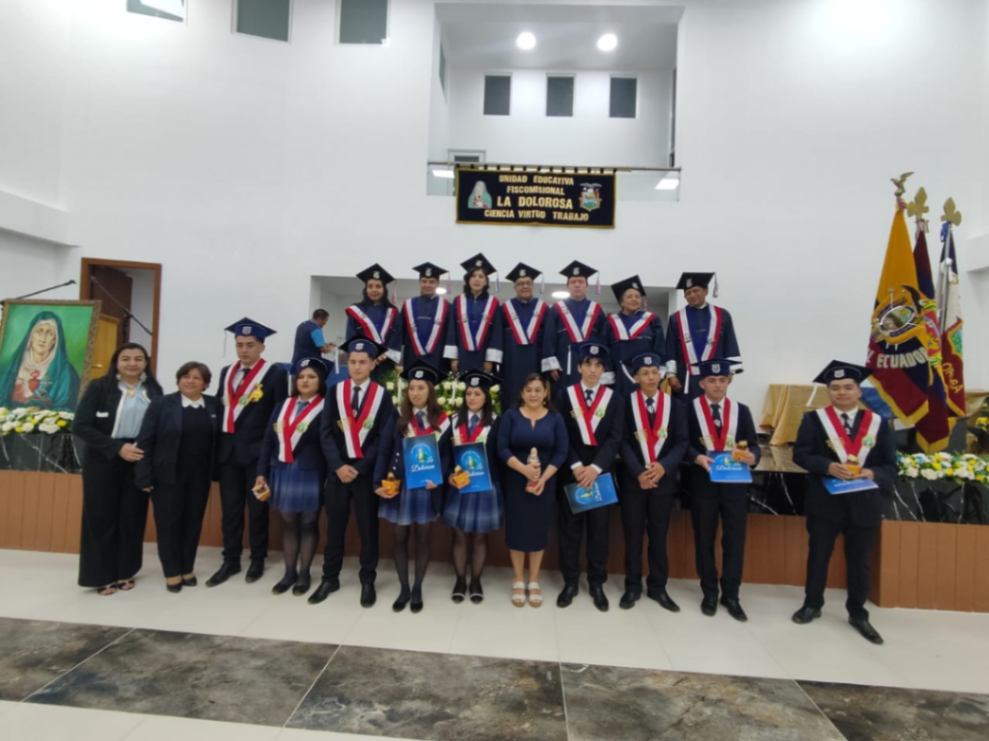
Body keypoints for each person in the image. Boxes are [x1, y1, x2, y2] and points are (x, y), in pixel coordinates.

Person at [792, 361, 896, 645]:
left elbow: (890, 465)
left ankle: (858, 612)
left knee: (860, 560)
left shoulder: (879, 422)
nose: (842, 392)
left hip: (864, 502)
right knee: (818, 555)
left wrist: (872, 472)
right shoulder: (814, 420)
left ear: (858, 390)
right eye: (835, 388)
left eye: (848, 387)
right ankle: (812, 604)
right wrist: (826, 466)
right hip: (826, 500)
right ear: (829, 391)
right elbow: (800, 454)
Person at [312, 338, 395, 607]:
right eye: (353, 362)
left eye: (363, 362)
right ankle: (329, 577)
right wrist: (338, 466)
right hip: (338, 472)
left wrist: (359, 468)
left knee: (368, 528)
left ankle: (367, 579)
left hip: (365, 472)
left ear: (372, 364)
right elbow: (325, 432)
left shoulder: (383, 395)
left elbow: (383, 438)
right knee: (334, 526)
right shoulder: (334, 391)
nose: (357, 367)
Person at [75, 343, 163, 594]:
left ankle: (126, 571)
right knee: (100, 517)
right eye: (126, 359)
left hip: (139, 458)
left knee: (132, 517)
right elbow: (81, 426)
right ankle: (100, 576)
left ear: (146, 362)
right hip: (104, 459)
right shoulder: (99, 387)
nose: (132, 363)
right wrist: (117, 448)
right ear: (117, 361)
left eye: (138, 359)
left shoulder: (154, 390)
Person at [208, 318, 289, 587]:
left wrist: (271, 454)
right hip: (228, 454)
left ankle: (257, 559)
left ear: (262, 347)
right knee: (230, 511)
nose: (244, 350)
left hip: (257, 454)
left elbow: (278, 414)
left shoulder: (274, 374)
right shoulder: (226, 372)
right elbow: (222, 409)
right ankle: (230, 560)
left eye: (250, 345)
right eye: (240, 345)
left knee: (257, 510)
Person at [135, 361, 220, 593]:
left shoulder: (213, 405)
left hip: (199, 477)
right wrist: (143, 475)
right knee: (169, 525)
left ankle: (187, 568)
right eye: (185, 376)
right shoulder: (162, 404)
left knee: (192, 523)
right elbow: (145, 440)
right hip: (166, 476)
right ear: (178, 379)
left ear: (205, 384)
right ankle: (171, 571)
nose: (190, 380)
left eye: (196, 377)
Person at [685, 358, 760, 620]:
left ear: (729, 382)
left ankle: (731, 594)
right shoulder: (688, 409)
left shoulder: (742, 410)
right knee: (704, 539)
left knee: (734, 540)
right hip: (703, 484)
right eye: (712, 380)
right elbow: (683, 443)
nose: (717, 385)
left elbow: (754, 445)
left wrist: (753, 456)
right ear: (702, 382)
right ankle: (709, 591)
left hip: (735, 487)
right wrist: (697, 457)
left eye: (722, 380)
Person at [374, 361, 451, 613]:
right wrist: (378, 481)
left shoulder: (442, 420)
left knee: (423, 538)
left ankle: (417, 588)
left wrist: (438, 478)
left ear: (430, 391)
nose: (415, 393)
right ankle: (403, 587)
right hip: (400, 486)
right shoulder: (398, 416)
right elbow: (384, 449)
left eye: (421, 388)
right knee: (399, 537)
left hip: (426, 488)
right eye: (411, 388)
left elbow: (448, 456)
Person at [554, 341, 624, 611]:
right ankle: (570, 582)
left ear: (603, 370)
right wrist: (576, 465)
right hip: (573, 471)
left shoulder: (615, 399)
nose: (593, 370)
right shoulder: (564, 395)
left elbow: (615, 438)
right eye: (588, 365)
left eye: (598, 366)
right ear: (579, 367)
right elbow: (562, 435)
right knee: (569, 531)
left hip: (600, 474)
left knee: (599, 532)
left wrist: (594, 468)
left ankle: (597, 582)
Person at [618, 352, 688, 611]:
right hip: (634, 481)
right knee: (633, 536)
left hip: (663, 481)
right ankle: (632, 586)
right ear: (636, 377)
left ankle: (658, 587)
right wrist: (638, 472)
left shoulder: (676, 406)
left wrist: (663, 467)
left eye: (654, 372)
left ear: (660, 375)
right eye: (644, 373)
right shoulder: (625, 403)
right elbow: (622, 441)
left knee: (659, 536)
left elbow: (682, 442)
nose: (650, 377)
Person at [256, 357, 328, 597]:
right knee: (288, 523)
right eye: (302, 377)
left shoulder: (326, 407)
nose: (305, 381)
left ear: (320, 381)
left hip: (309, 471)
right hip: (282, 469)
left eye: (311, 377)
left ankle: (305, 573)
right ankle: (289, 573)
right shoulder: (281, 406)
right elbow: (268, 440)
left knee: (308, 523)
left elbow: (328, 444)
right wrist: (261, 473)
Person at [498, 374, 567, 607]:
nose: (534, 394)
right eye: (529, 390)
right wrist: (524, 470)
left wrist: (543, 478)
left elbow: (561, 451)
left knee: (538, 530)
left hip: (544, 483)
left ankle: (534, 580)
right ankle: (518, 579)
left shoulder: (556, 419)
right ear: (522, 393)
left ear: (545, 393)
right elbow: (502, 447)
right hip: (516, 481)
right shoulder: (510, 416)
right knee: (517, 529)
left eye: (538, 390)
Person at [443, 370, 501, 603]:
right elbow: (445, 454)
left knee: (479, 536)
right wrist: (448, 475)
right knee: (458, 535)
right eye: (468, 393)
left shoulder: (497, 422)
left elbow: (500, 456)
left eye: (477, 394)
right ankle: (459, 579)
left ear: (486, 397)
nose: (472, 398)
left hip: (485, 487)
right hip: (459, 487)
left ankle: (475, 579)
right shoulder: (452, 421)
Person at [665, 272, 742, 398]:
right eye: (688, 293)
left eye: (696, 290)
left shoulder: (722, 316)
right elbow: (670, 348)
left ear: (706, 290)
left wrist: (730, 371)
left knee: (711, 412)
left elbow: (730, 343)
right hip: (685, 378)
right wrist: (671, 375)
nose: (692, 295)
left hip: (715, 376)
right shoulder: (676, 319)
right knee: (684, 414)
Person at [500, 262, 559, 408]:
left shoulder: (544, 309)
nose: (524, 286)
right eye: (520, 284)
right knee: (511, 399)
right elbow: (498, 337)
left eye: (528, 283)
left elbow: (549, 339)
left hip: (535, 362)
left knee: (535, 397)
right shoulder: (505, 308)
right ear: (514, 287)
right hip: (510, 364)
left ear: (533, 285)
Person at [0, 310, 80, 411]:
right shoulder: (11, 366)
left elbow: (67, 408)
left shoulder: (66, 372)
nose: (43, 338)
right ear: (31, 335)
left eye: (49, 333)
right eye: (39, 331)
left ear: (55, 340)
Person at [551, 260, 607, 389]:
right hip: (564, 363)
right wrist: (552, 364)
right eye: (573, 282)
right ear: (568, 286)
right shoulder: (556, 309)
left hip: (591, 365)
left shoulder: (597, 310)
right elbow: (549, 337)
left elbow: (603, 339)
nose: (577, 285)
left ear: (586, 286)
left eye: (580, 282)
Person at [607, 276, 666, 396]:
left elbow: (659, 348)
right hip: (619, 376)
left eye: (637, 296)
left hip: (646, 374)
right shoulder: (610, 322)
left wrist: (657, 372)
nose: (634, 299)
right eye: (629, 296)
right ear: (621, 301)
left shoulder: (652, 320)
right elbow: (606, 350)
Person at [344, 264, 402, 382]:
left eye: (378, 286)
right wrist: (366, 357)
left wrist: (383, 356)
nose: (374, 290)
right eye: (370, 286)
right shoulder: (355, 311)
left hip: (385, 365)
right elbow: (351, 338)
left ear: (384, 289)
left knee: (383, 396)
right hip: (361, 364)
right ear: (365, 289)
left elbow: (396, 338)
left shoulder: (393, 312)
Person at [446, 253, 503, 375]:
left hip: (484, 357)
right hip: (462, 355)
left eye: (481, 276)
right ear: (468, 280)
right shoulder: (458, 301)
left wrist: (490, 359)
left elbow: (496, 333)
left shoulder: (493, 303)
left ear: (486, 281)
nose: (477, 279)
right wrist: (453, 357)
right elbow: (452, 330)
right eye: (473, 276)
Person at [398, 262, 451, 373]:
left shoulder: (447, 307)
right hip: (412, 358)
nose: (427, 285)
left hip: (438, 359)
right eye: (424, 281)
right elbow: (400, 333)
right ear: (419, 283)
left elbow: (449, 335)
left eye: (432, 282)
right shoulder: (408, 305)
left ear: (437, 284)